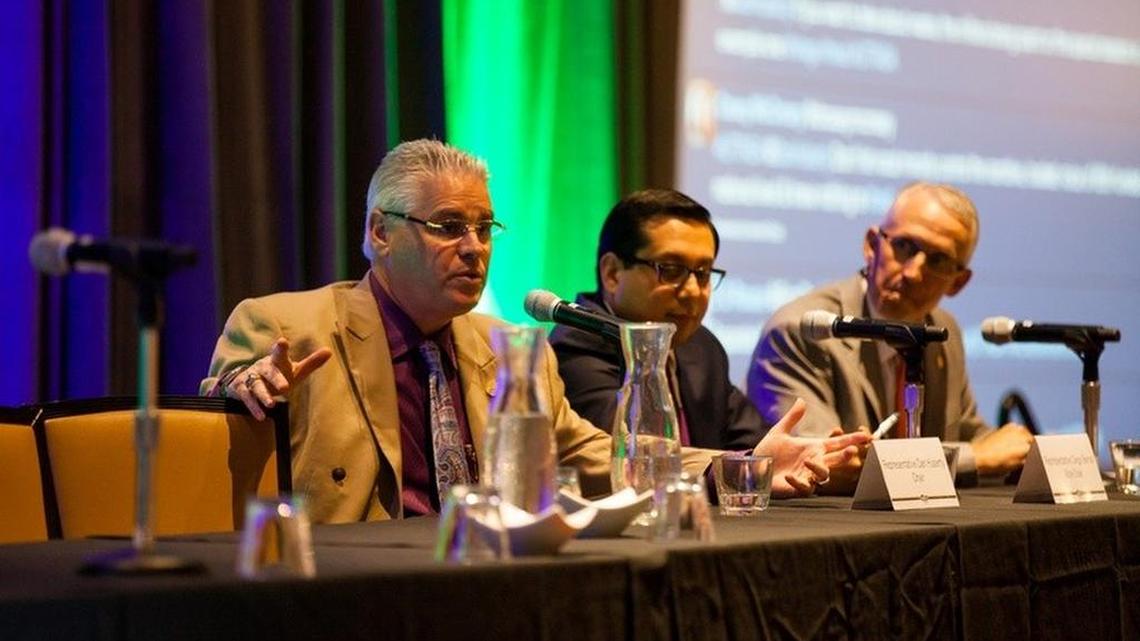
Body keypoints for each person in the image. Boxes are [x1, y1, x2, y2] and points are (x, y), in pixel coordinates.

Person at [202, 140, 863, 523]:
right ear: (379, 231)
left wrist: (742, 467)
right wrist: (244, 388)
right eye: (448, 226)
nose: (474, 248)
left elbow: (601, 453)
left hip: (490, 584)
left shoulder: (506, 347)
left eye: (485, 228)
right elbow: (215, 418)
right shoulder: (285, 323)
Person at [747, 181, 1034, 491]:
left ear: (958, 282)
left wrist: (1020, 449)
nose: (912, 272)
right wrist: (974, 458)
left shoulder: (942, 334)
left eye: (937, 260)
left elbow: (965, 431)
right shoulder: (801, 330)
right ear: (872, 245)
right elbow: (820, 465)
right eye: (904, 247)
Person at [550, 189, 765, 452]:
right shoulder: (577, 347)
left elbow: (754, 445)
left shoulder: (701, 346)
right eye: (671, 269)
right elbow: (638, 455)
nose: (692, 291)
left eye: (703, 273)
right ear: (613, 273)